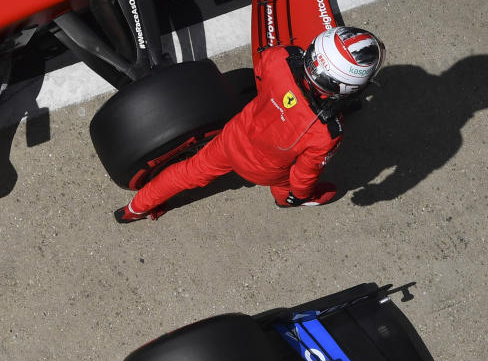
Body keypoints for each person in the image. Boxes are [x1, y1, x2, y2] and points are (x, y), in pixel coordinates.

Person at [114, 26, 385, 223]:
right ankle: (285, 203)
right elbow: (303, 176)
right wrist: (298, 195)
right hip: (268, 172)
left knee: (185, 173)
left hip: (233, 139)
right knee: (290, 189)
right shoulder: (327, 134)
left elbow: (260, 74)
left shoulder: (281, 58)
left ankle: (133, 210)